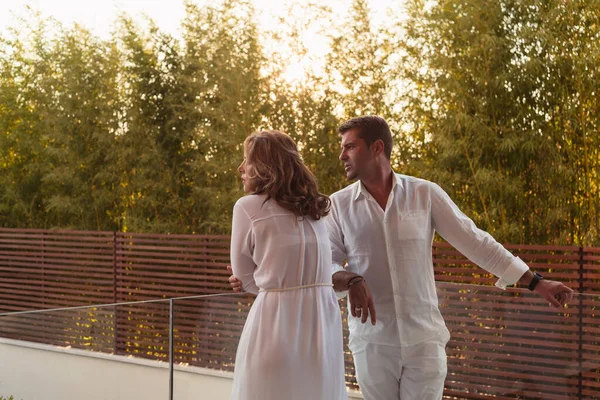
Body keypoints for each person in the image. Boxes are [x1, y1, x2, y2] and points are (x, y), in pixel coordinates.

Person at [229, 116, 574, 400]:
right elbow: (325, 268)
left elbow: (475, 242)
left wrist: (536, 282)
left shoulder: (425, 194)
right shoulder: (335, 206)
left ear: (377, 147)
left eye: (350, 146)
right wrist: (351, 279)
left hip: (424, 339)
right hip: (371, 341)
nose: (342, 156)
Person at [228, 130, 347, 400]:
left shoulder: (247, 207)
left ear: (264, 167)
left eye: (246, 159)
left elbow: (244, 277)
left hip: (275, 323)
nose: (241, 168)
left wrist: (264, 278)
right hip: (322, 325)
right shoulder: (315, 208)